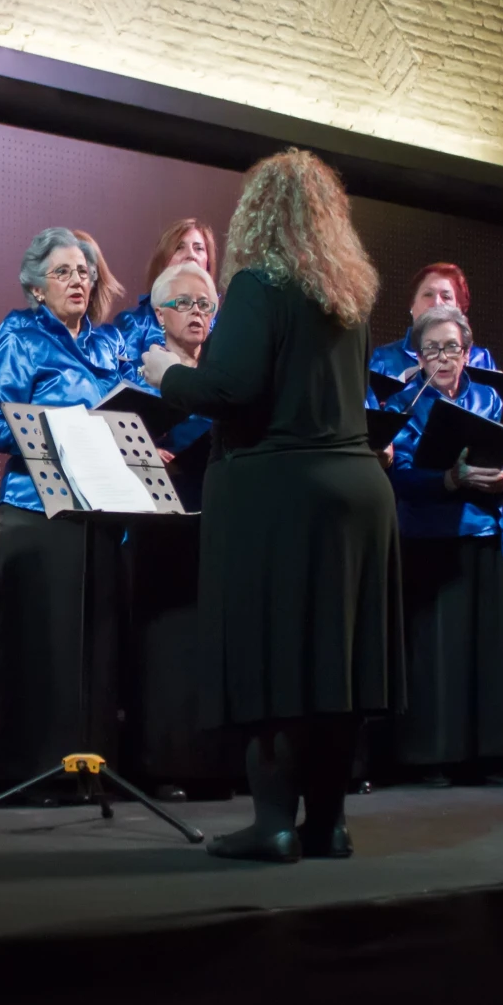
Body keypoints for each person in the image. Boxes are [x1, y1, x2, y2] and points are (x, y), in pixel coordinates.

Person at [141, 150, 404, 861]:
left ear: (259, 213)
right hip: (356, 497)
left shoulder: (259, 285)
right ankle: (329, 822)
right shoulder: (350, 299)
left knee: (277, 660)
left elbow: (229, 390)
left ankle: (273, 823)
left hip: (280, 495)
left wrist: (166, 373)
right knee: (335, 670)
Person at [0, 227, 132, 788]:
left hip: (98, 515)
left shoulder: (108, 343)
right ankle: (36, 775)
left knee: (94, 653)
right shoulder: (20, 336)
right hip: (37, 514)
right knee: (42, 651)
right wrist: (64, 433)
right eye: (64, 271)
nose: (78, 280)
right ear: (36, 286)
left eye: (85, 271)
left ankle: (91, 774)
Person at [379, 304, 503, 784]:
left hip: (480, 533)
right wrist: (447, 478)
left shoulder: (489, 399)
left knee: (484, 650)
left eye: (452, 348)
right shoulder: (402, 402)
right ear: (418, 356)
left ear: (467, 350)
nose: (444, 358)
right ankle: (432, 757)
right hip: (427, 537)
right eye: (433, 349)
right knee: (435, 653)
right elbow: (397, 475)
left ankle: (484, 754)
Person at [125, 258, 230, 799]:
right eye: (184, 303)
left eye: (205, 304)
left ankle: (215, 764)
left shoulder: (221, 376)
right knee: (167, 647)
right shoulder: (137, 370)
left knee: (212, 643)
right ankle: (165, 762)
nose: (196, 313)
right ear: (159, 313)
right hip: (159, 524)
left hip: (215, 519)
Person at [369, 261, 497, 389]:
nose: (436, 303)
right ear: (412, 305)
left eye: (446, 296)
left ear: (459, 309)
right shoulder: (383, 359)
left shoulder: (480, 359)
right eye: (428, 294)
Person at [112, 217, 218, 365]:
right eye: (179, 247)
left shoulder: (225, 327)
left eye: (198, 248)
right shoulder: (136, 324)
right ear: (162, 261)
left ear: (208, 263)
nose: (191, 255)